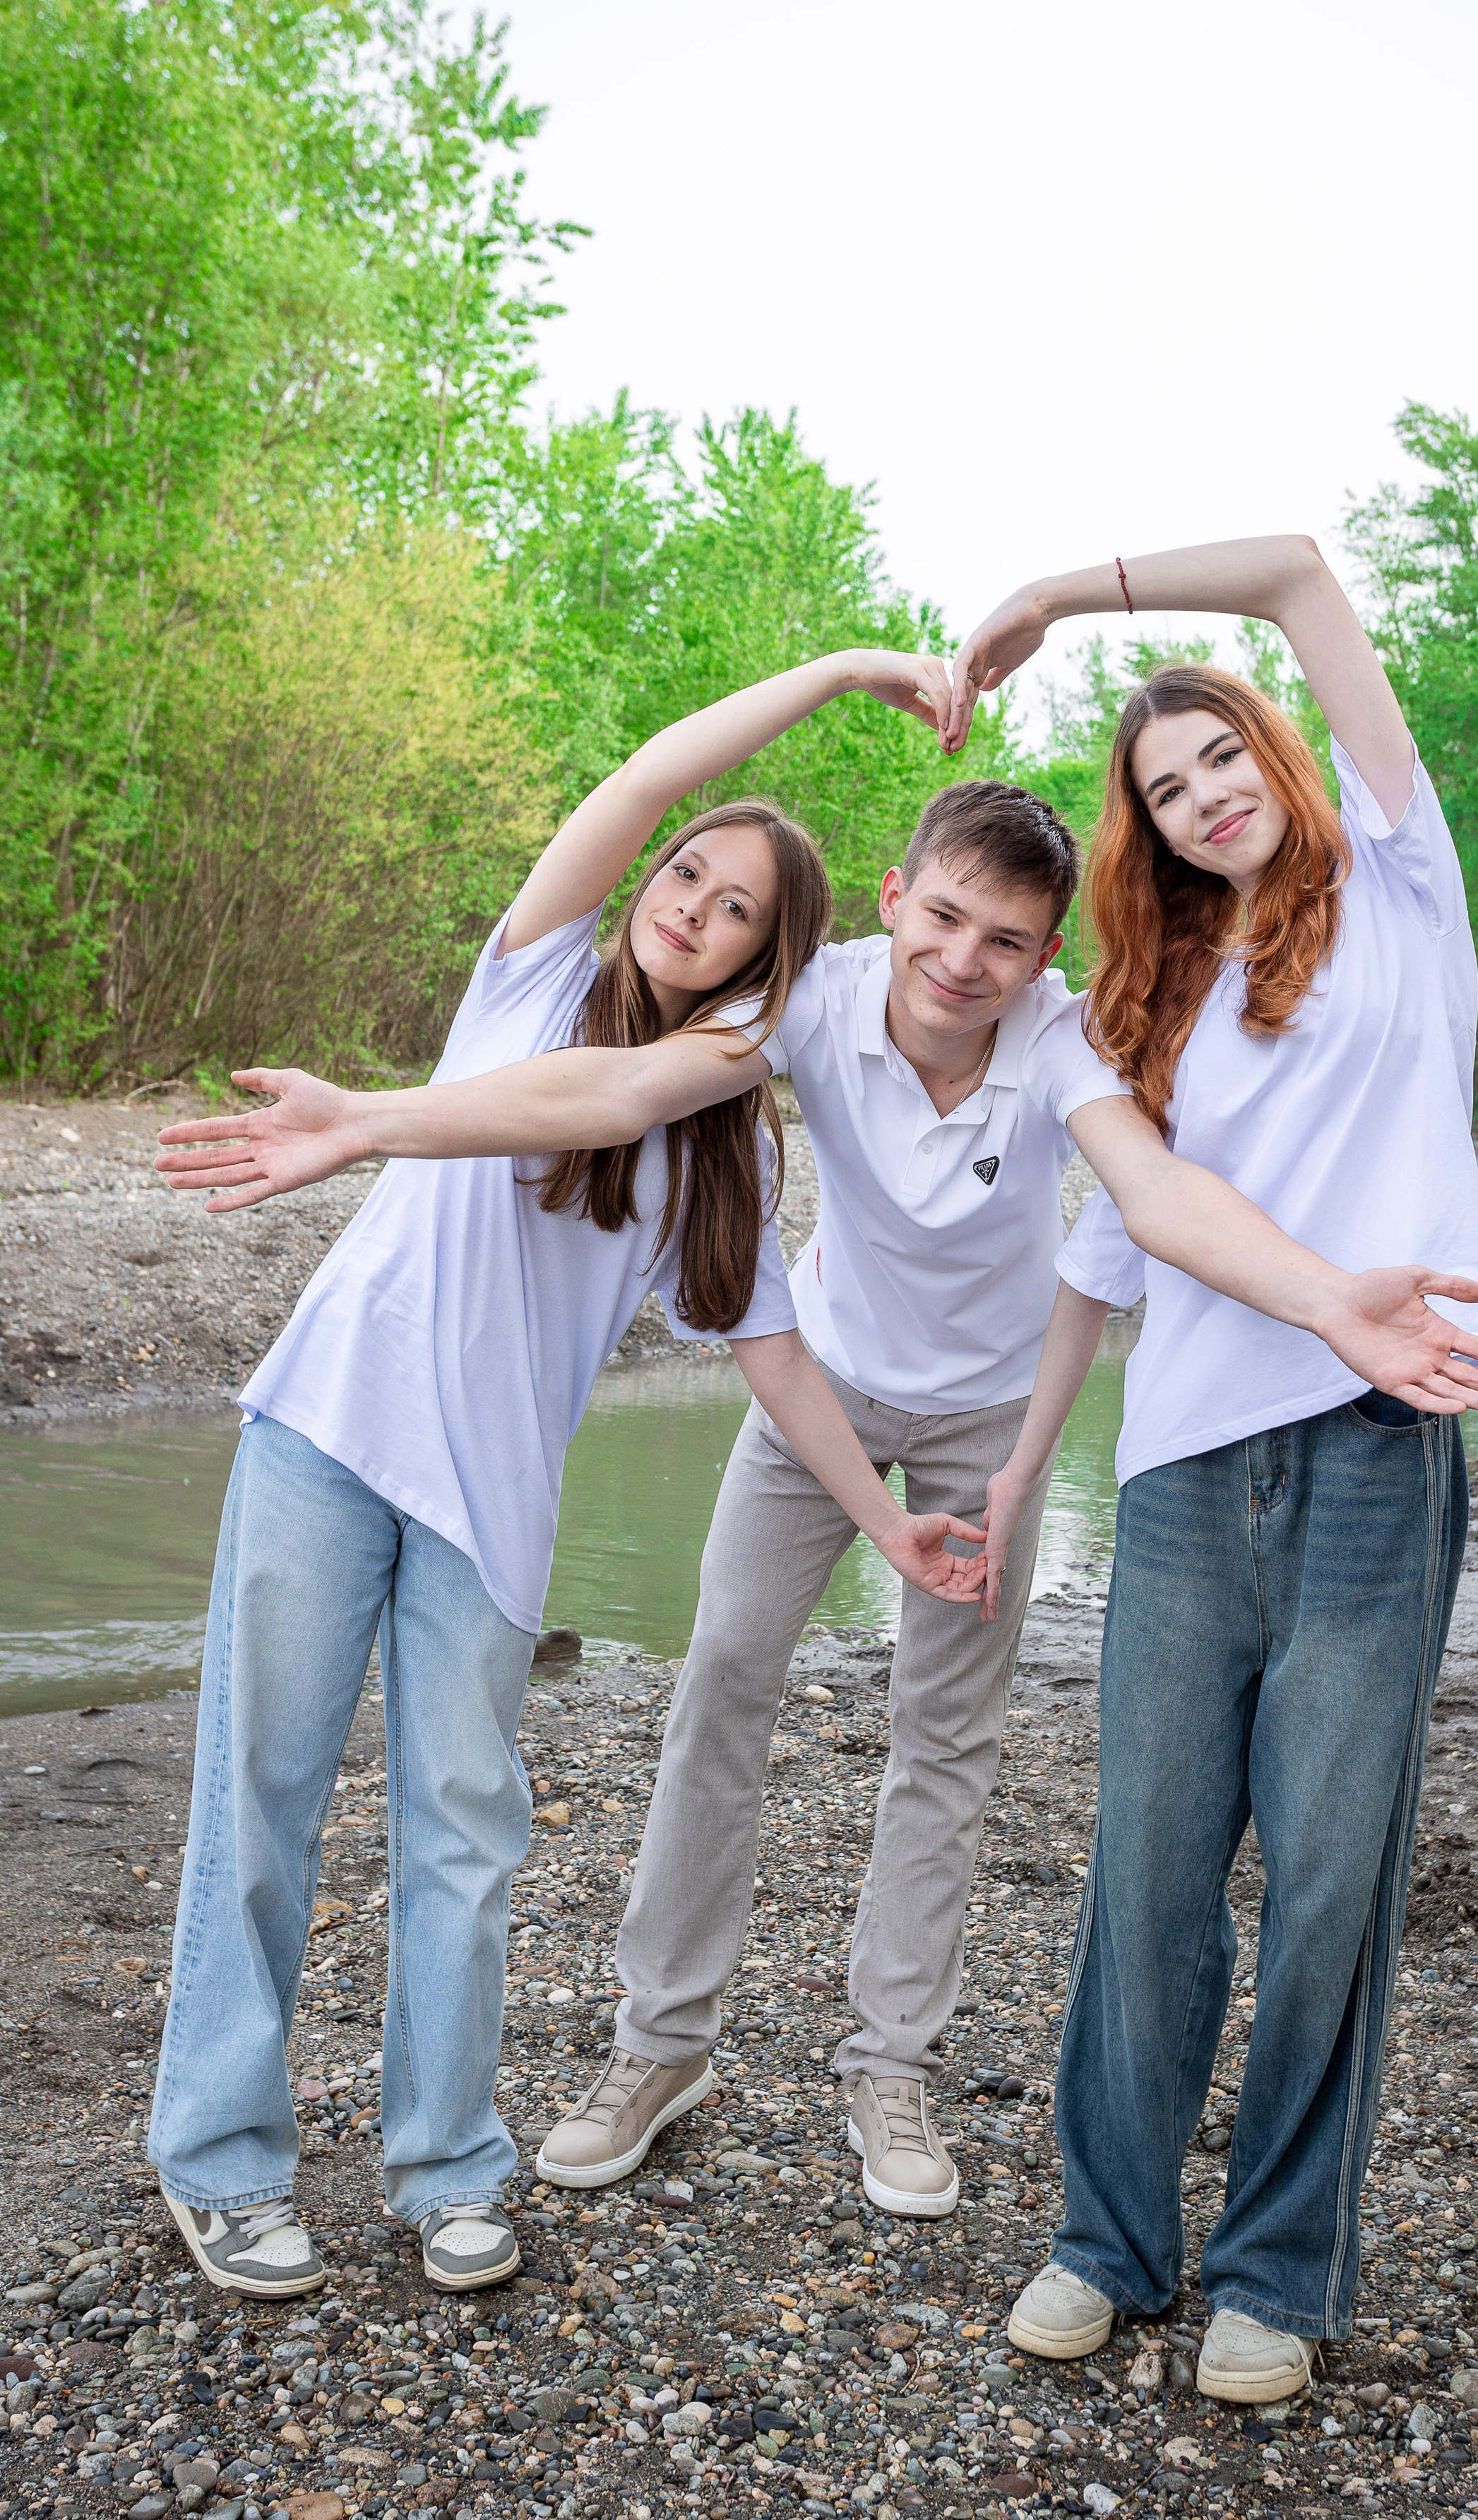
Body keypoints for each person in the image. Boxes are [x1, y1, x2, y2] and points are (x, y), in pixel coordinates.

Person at [162, 754, 1478, 2233]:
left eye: (1003, 943)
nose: (961, 963)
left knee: (943, 1746)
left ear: (1041, 956)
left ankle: (890, 2069)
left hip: (990, 1417)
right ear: (893, 898)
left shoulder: (1063, 1043)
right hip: (820, 1382)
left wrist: (1322, 1305)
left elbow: (1145, 1207)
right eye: (940, 920)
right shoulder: (814, 998)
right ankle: (655, 2052)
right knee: (717, 1693)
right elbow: (622, 1085)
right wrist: (369, 1117)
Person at [145, 646, 1009, 2302]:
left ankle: (445, 2163)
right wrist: (835, 675)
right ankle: (224, 2160)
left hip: (489, 1511)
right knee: (257, 1806)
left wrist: (889, 1521)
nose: (694, 902)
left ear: (767, 960)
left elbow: (768, 1347)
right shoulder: (526, 975)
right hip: (323, 1434)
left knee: (464, 1836)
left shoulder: (706, 1119)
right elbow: (645, 775)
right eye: (688, 872)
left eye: (741, 908)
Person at [948, 536, 1478, 2398]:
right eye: (1164, 789)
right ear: (1148, 833)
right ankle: (1109, 2239)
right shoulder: (1144, 1010)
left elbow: (1293, 570)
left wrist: (1064, 596)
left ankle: (1278, 2271)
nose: (1202, 799)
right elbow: (1100, 1272)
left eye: (1220, 760)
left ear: (1280, 759)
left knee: (1336, 1879)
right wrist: (1028, 1478)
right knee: (1152, 1866)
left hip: (1380, 1456)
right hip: (1191, 1471)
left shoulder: (1409, 893)